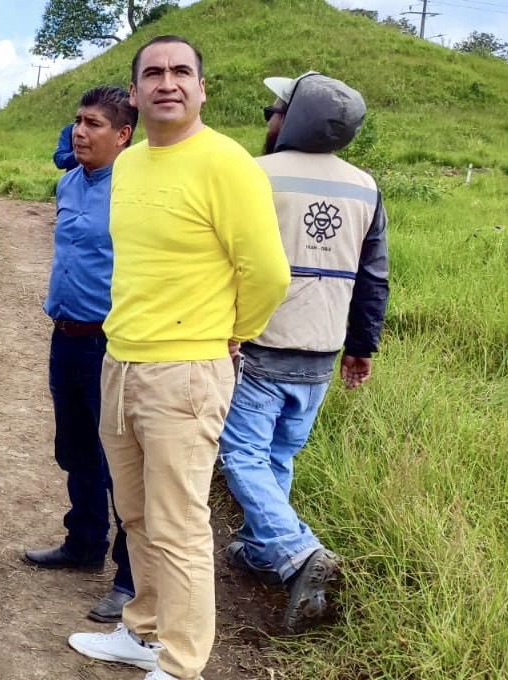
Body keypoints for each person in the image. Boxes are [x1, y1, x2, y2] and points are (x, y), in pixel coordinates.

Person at [66, 36, 290, 680]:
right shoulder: (131, 164)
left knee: (179, 521)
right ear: (135, 92)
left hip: (186, 371)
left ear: (201, 88)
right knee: (136, 513)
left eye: (182, 71)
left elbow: (268, 273)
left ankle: (182, 661)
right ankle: (142, 632)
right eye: (154, 73)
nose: (169, 81)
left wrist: (235, 330)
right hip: (123, 359)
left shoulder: (227, 165)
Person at [219, 71, 387, 632]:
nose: (269, 118)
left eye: (275, 109)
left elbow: (223, 259)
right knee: (278, 457)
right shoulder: (366, 187)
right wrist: (361, 348)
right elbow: (373, 277)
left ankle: (298, 551)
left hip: (260, 342)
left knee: (241, 454)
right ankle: (260, 552)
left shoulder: (256, 174)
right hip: (322, 350)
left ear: (291, 120)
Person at [22, 85, 137, 625]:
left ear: (123, 135)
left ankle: (129, 578)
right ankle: (83, 542)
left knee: (120, 462)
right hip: (64, 336)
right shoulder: (69, 182)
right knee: (75, 448)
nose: (79, 131)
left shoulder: (135, 190)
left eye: (93, 123)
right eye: (77, 121)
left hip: (110, 343)